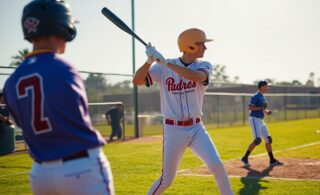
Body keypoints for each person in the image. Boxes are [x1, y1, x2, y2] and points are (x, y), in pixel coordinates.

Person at [2, 1, 114, 194]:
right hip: (81, 166)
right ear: (62, 25)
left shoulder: (11, 81)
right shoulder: (64, 67)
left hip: (40, 174)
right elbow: (80, 115)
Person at [133, 28, 233, 195]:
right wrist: (149, 61)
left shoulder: (203, 65)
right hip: (173, 130)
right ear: (190, 46)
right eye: (201, 44)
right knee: (167, 179)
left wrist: (165, 63)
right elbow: (137, 81)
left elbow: (197, 77)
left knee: (216, 165)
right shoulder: (162, 68)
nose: (205, 48)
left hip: (196, 128)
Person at [241, 80, 283, 167]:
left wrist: (266, 112)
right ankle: (245, 158)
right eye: (266, 86)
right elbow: (250, 107)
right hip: (254, 119)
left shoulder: (262, 97)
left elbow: (262, 109)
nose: (268, 87)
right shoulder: (255, 96)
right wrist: (261, 108)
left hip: (260, 120)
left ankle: (272, 160)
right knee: (257, 140)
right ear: (262, 87)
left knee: (268, 139)